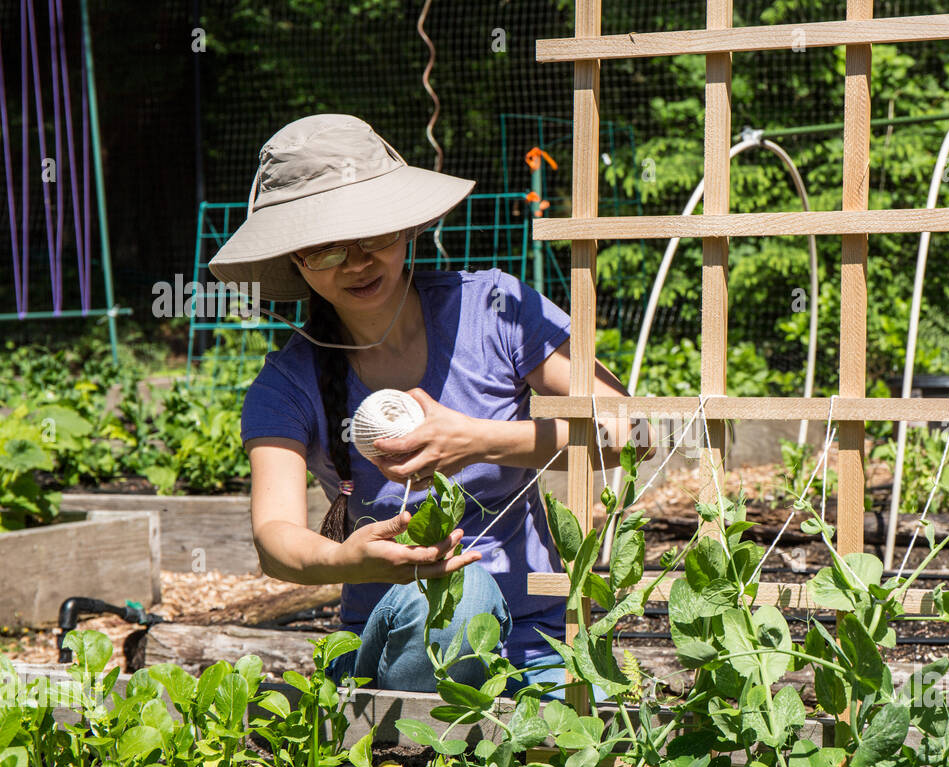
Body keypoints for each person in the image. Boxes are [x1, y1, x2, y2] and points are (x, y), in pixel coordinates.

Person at [209, 114, 645, 699]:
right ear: (295, 260)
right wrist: (350, 562)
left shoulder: (494, 308)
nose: (359, 261)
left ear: (406, 228)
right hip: (400, 651)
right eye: (327, 249)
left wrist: (480, 439)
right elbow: (276, 541)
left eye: (375, 235)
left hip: (541, 640)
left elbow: (636, 428)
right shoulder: (286, 385)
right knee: (461, 600)